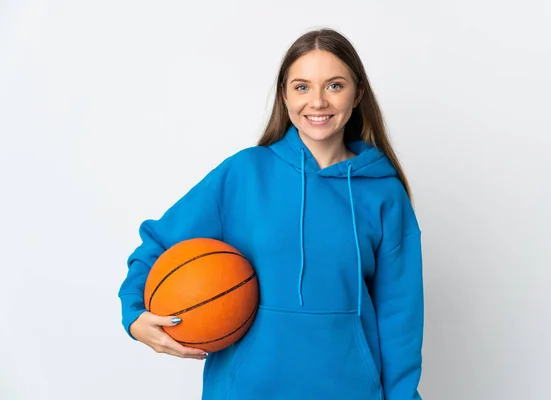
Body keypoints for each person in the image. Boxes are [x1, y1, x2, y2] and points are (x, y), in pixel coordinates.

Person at [118, 27, 424, 400]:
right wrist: (135, 314)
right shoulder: (244, 173)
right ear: (284, 94)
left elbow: (400, 317)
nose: (317, 102)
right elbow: (161, 242)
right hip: (246, 390)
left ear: (357, 93)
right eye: (301, 87)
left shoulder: (383, 193)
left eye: (334, 85)